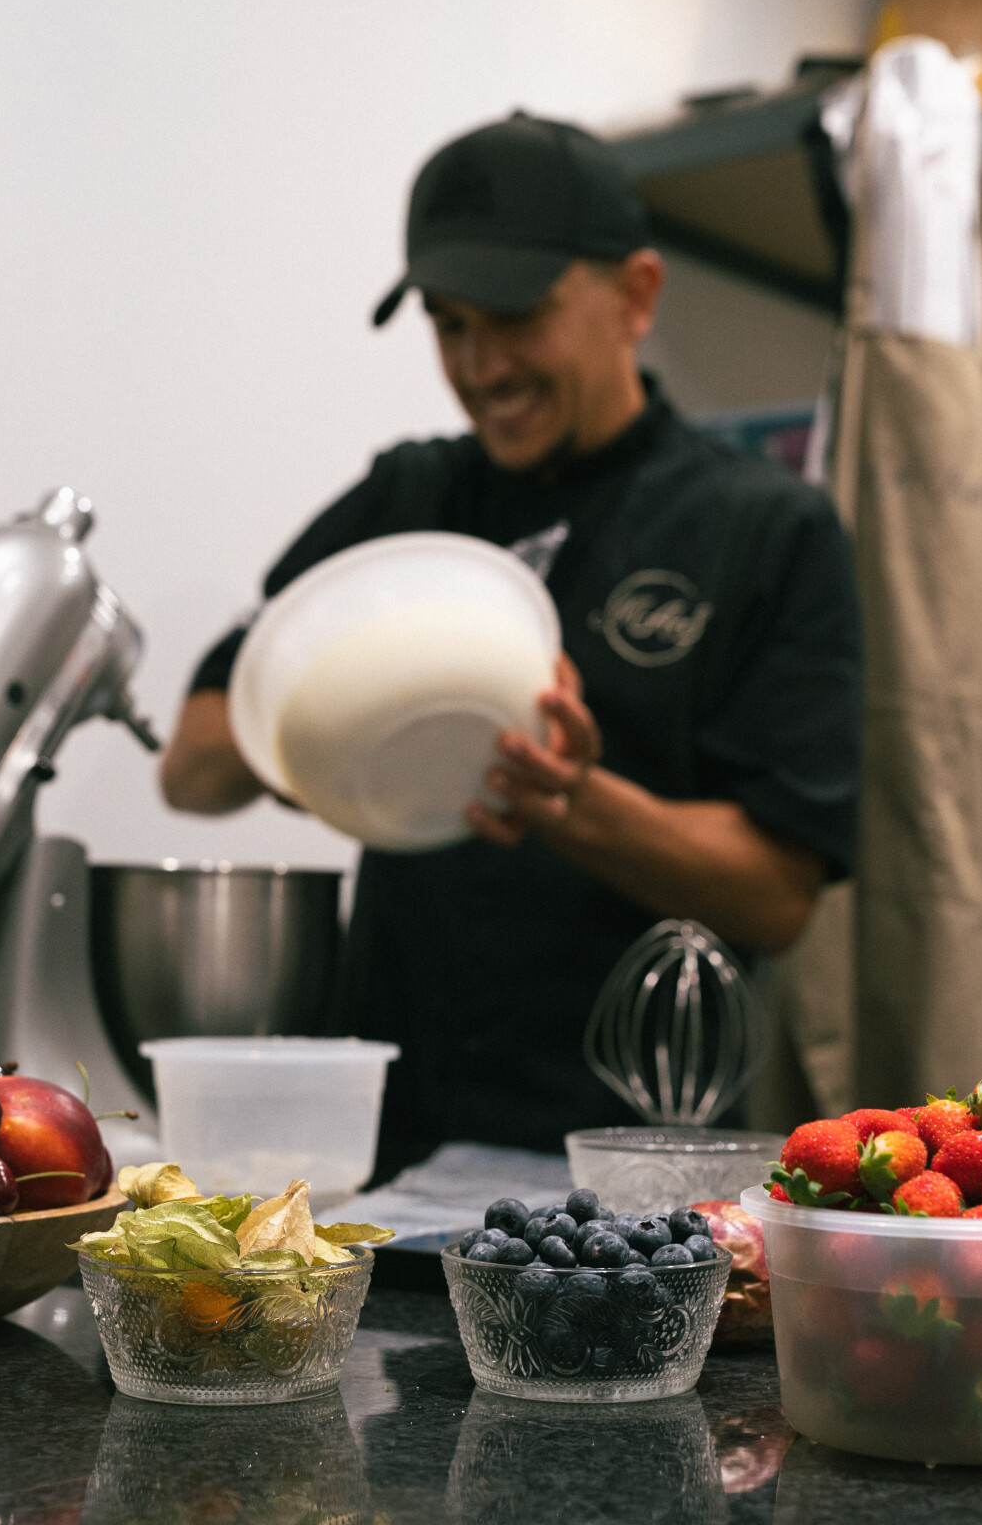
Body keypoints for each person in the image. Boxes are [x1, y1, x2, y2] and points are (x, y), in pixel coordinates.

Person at [159, 112, 863, 1177]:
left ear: (635, 295)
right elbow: (195, 764)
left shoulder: (766, 530)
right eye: (447, 325)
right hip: (388, 1149)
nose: (480, 366)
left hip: (630, 1162)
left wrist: (572, 803)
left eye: (515, 316)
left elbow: (775, 892)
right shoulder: (409, 497)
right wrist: (334, 756)